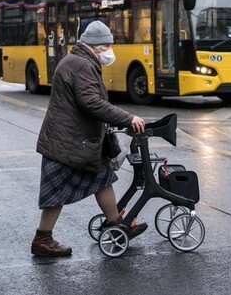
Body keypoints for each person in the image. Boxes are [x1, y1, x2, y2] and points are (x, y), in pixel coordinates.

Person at [32, 20, 146, 257]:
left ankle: (116, 224)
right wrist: (128, 118)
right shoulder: (82, 64)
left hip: (70, 140)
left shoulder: (79, 61)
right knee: (57, 192)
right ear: (96, 46)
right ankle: (42, 239)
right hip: (67, 143)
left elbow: (90, 101)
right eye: (107, 46)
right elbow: (92, 102)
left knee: (101, 177)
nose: (110, 50)